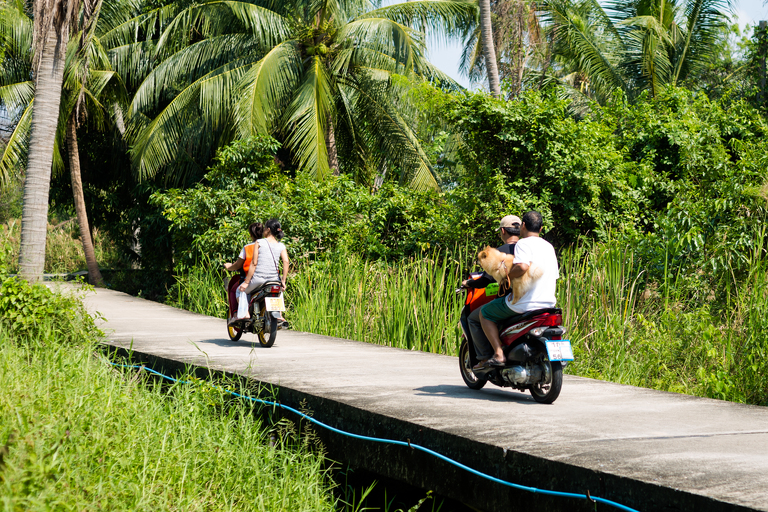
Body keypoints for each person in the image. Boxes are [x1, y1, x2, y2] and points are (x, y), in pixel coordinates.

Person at [474, 211, 559, 370]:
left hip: (525, 304)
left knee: (484, 313)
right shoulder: (549, 247)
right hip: (548, 304)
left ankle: (499, 354)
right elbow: (554, 275)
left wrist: (507, 278)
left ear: (524, 226)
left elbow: (522, 266)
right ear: (541, 229)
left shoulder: (523, 243)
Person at [462, 215, 521, 363]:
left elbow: (485, 280)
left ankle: (486, 357)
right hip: (532, 298)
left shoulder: (499, 252)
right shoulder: (526, 249)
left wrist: (468, 283)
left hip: (511, 301)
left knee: (474, 318)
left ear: (502, 231)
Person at [238, 218, 291, 324]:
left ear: (267, 229)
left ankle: (246, 313)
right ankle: (279, 314)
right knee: (278, 291)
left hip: (259, 279)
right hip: (274, 280)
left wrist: (247, 282)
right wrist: (283, 281)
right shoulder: (281, 245)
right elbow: (286, 262)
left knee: (241, 290)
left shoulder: (260, 242)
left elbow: (254, 263)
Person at [224, 222, 263, 324]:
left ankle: (239, 313)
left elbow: (237, 265)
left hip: (251, 278)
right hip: (270, 278)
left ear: (251, 234)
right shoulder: (269, 245)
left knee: (235, 290)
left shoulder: (247, 248)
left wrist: (229, 267)